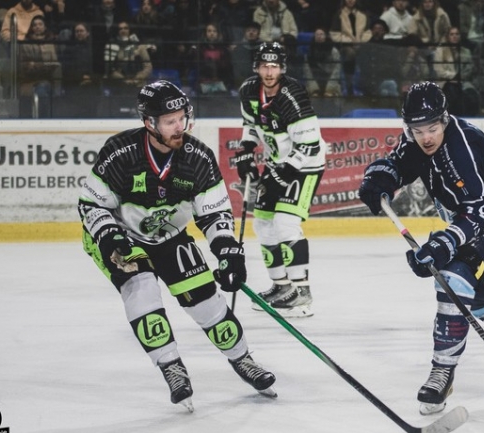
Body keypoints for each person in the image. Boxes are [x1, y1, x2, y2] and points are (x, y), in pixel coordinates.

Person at [358, 81, 484, 416]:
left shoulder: (458, 149)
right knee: (480, 299)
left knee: (454, 276)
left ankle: (442, 372)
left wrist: (442, 246)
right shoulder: (417, 140)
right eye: (418, 129)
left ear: (446, 119)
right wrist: (380, 180)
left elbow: (478, 213)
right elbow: (401, 163)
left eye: (433, 128)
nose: (426, 137)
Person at [77, 80, 277, 412]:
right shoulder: (120, 152)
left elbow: (214, 214)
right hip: (121, 236)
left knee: (205, 301)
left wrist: (227, 252)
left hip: (168, 235)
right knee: (141, 291)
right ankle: (172, 367)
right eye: (170, 121)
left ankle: (243, 359)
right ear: (149, 122)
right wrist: (109, 236)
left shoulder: (198, 157)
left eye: (182, 117)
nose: (179, 126)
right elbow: (91, 205)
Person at [234, 42, 327, 318]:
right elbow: (250, 126)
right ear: (257, 67)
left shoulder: (292, 95)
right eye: (265, 65)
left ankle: (301, 291)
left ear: (282, 68)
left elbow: (309, 145)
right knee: (263, 224)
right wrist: (246, 153)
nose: (269, 71)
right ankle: (281, 286)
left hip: (305, 166)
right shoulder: (249, 91)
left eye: (274, 66)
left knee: (285, 223)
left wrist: (282, 173)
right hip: (278, 164)